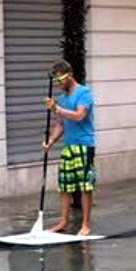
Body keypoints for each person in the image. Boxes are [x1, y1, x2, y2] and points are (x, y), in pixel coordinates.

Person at [43, 60, 96, 236]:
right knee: (64, 185)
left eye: (60, 80)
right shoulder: (64, 98)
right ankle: (63, 222)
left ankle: (86, 224)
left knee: (84, 185)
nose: (58, 85)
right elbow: (61, 125)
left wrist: (57, 109)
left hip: (84, 145)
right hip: (69, 146)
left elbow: (79, 116)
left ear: (69, 76)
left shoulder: (84, 93)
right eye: (55, 82)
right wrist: (50, 142)